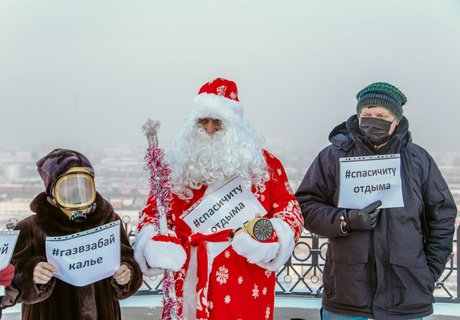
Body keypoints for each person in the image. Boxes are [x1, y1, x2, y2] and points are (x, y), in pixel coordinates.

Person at [135, 78, 304, 320]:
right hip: (188, 280)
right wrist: (154, 242)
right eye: (203, 121)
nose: (210, 129)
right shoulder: (176, 167)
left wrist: (267, 238)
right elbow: (153, 213)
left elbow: (290, 212)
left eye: (218, 122)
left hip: (245, 281)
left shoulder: (264, 165)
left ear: (235, 127)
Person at [295, 82, 457, 319]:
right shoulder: (333, 156)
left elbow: (442, 216)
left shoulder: (418, 160)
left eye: (382, 115)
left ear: (396, 121)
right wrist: (345, 220)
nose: (373, 120)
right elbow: (305, 206)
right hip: (346, 294)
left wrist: (427, 273)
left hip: (406, 296)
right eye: (367, 115)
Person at [10, 148, 143, 320]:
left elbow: (128, 259)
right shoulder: (29, 228)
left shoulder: (109, 221)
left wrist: (127, 274)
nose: (77, 192)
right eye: (68, 185)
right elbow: (10, 279)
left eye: (83, 184)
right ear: (52, 191)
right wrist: (31, 274)